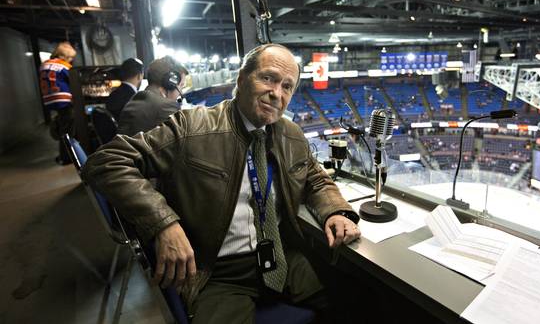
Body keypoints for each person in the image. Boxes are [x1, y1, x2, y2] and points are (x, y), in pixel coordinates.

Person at [82, 43, 361, 322]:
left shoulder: (290, 133)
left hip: (281, 258)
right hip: (217, 273)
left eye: (287, 86)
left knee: (359, 301)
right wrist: (163, 222)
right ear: (241, 79)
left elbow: (315, 178)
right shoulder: (193, 127)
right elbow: (106, 161)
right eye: (268, 78)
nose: (276, 93)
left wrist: (335, 210)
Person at [116, 55, 188, 136]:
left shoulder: (137, 98)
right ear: (170, 83)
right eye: (181, 85)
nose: (181, 92)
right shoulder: (165, 107)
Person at [39, 41, 77, 165]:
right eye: (70, 58)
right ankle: (66, 157)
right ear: (63, 56)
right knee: (68, 129)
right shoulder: (64, 66)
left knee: (63, 123)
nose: (71, 60)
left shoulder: (44, 65)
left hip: (50, 99)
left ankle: (64, 150)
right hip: (63, 99)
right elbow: (74, 81)